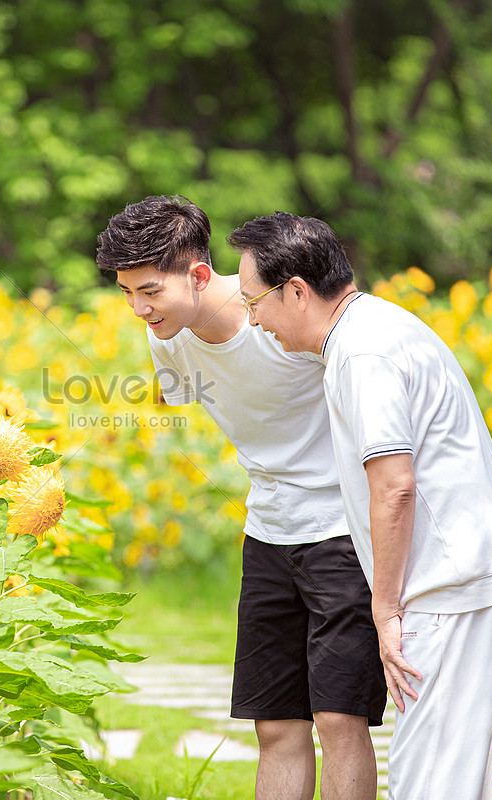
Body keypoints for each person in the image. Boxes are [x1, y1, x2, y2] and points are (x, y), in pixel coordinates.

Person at [228, 211, 492, 800]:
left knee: (431, 780)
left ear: (296, 291)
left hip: (454, 580)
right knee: (445, 771)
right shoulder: (373, 328)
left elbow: (394, 486)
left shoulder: (361, 354)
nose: (253, 320)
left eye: (254, 302)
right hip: (468, 572)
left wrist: (385, 610)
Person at [95, 196, 386, 800]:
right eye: (126, 294)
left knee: (338, 718)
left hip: (342, 531)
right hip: (269, 534)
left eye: (150, 291)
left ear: (200, 275)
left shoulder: (281, 316)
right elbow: (194, 401)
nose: (138, 309)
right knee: (276, 725)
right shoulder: (169, 339)